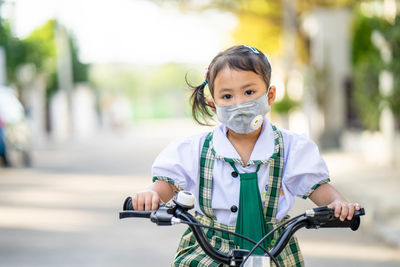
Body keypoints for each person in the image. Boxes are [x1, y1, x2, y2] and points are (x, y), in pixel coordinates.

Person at [132, 45, 361, 267]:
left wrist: (338, 204)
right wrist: (152, 196)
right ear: (214, 106)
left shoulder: (291, 148)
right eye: (227, 96)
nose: (239, 103)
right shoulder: (195, 149)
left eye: (249, 92)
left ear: (270, 95)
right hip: (210, 248)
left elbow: (319, 188)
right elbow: (166, 184)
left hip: (273, 247)